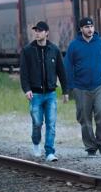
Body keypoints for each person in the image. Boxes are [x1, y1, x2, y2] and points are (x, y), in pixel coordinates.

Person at [19, 20, 69, 162]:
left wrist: (65, 91)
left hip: (51, 94)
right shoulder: (28, 51)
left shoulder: (54, 50)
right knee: (37, 123)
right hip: (35, 94)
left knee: (51, 124)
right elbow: (24, 73)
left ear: (47, 33)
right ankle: (36, 142)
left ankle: (49, 152)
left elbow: (62, 72)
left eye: (40, 30)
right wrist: (27, 89)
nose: (37, 33)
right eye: (36, 30)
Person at [64, 16, 101, 157]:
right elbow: (67, 67)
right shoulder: (74, 46)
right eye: (86, 27)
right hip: (80, 88)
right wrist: (70, 87)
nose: (90, 29)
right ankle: (91, 147)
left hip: (99, 86)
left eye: (91, 26)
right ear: (81, 29)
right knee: (84, 118)